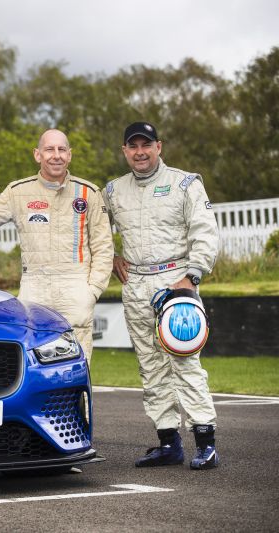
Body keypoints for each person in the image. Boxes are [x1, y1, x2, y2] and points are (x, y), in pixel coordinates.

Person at [104, 121, 220, 470]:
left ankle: (206, 441)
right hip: (135, 284)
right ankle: (169, 443)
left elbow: (205, 230)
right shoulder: (112, 190)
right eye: (133, 146)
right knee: (150, 367)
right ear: (124, 151)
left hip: (176, 282)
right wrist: (110, 254)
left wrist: (192, 274)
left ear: (159, 146)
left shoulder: (185, 183)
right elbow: (91, 229)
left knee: (184, 362)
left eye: (147, 144)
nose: (140, 152)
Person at [0, 129, 113, 361]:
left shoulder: (89, 193)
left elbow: (103, 246)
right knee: (33, 362)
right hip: (34, 288)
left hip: (76, 287)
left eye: (62, 150)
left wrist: (92, 290)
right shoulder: (18, 191)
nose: (56, 155)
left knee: (77, 368)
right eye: (49, 149)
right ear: (37, 155)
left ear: (70, 155)